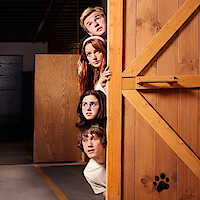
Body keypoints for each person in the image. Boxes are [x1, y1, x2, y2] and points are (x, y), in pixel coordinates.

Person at [77, 124, 106, 198]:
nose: (89, 144)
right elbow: (111, 196)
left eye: (94, 139)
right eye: (85, 140)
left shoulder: (119, 156)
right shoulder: (89, 173)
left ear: (103, 140)